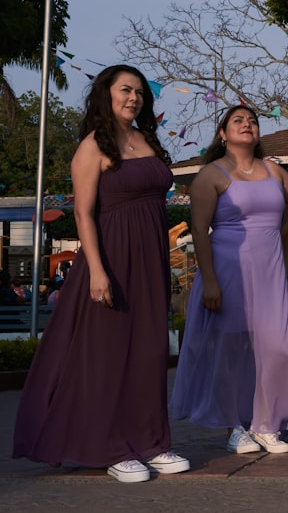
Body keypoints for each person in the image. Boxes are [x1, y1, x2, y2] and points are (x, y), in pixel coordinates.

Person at [12, 64, 189, 483]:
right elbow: (84, 214)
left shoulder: (147, 140)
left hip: (150, 259)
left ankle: (150, 441)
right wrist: (96, 271)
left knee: (148, 352)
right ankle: (109, 445)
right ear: (105, 95)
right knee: (107, 356)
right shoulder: (92, 146)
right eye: (125, 90)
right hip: (110, 257)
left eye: (140, 93)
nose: (134, 98)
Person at [170, 105, 288, 454]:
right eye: (238, 121)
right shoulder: (211, 174)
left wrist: (282, 233)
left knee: (276, 346)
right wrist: (208, 280)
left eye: (252, 121)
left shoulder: (274, 170)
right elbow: (200, 232)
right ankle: (235, 425)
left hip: (269, 270)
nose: (247, 125)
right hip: (228, 267)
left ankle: (267, 422)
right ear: (222, 133)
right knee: (231, 350)